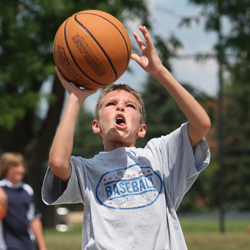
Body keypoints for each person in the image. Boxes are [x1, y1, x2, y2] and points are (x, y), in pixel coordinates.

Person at [42, 26, 211, 249]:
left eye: (129, 106)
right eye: (111, 104)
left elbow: (201, 124)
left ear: (142, 129)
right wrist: (76, 97)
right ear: (96, 126)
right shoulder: (87, 170)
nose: (120, 107)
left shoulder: (158, 156)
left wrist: (160, 72)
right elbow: (58, 163)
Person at [0, 152, 47, 250]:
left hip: (28, 244)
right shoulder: (1, 188)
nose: (21, 170)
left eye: (23, 166)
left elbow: (34, 219)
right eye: (16, 166)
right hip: (6, 245)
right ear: (5, 167)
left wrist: (42, 247)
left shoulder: (27, 189)